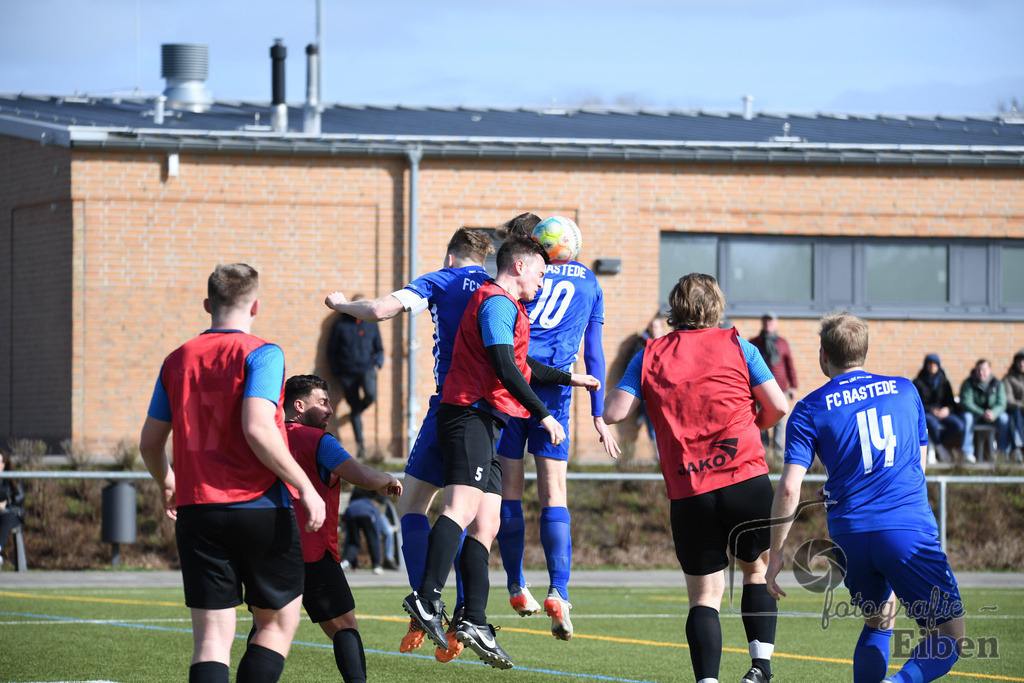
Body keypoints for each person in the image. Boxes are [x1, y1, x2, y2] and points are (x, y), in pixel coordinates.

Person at [402, 235, 600, 670]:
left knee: (487, 522)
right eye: (541, 272)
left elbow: (522, 365)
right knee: (459, 506)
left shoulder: (512, 308)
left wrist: (571, 379)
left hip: (489, 423)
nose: (544, 282)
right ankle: (426, 598)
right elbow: (504, 366)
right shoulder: (496, 302)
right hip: (468, 414)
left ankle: (472, 618)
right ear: (519, 267)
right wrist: (544, 415)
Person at [138, 263, 327, 683]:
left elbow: (149, 444)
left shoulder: (176, 360)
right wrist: (305, 486)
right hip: (259, 506)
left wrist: (168, 482)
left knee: (210, 641)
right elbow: (258, 427)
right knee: (276, 625)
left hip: (197, 510)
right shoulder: (263, 352)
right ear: (255, 305)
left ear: (208, 304)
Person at [604, 273, 788, 683]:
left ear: (675, 308)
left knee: (704, 595)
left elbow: (616, 412)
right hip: (745, 477)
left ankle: (707, 680)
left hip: (690, 488)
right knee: (754, 571)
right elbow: (777, 405)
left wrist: (598, 395)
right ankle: (760, 667)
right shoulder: (739, 345)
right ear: (716, 306)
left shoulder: (649, 354)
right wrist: (752, 427)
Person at [766, 311, 966, 683]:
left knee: (879, 621)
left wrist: (776, 552)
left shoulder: (809, 408)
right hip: (905, 527)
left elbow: (791, 486)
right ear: (864, 351)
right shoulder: (906, 390)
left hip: (850, 534)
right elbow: (916, 468)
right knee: (949, 638)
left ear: (823, 354)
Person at [325, 227, 494, 660]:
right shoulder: (496, 289)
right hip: (489, 415)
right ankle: (462, 613)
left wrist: (341, 304)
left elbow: (381, 310)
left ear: (450, 256)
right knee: (477, 521)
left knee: (417, 508)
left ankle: (430, 603)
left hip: (451, 409)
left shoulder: (442, 279)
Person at [493, 213, 620, 641]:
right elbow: (594, 352)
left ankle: (515, 583)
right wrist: (598, 413)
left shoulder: (528, 272)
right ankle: (558, 591)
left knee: (509, 490)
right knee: (554, 494)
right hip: (557, 394)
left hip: (515, 383)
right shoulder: (589, 282)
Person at [280, 374, 401, 683]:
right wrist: (386, 478)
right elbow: (359, 475)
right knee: (345, 626)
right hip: (311, 551)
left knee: (269, 628)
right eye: (322, 402)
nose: (330, 410)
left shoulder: (266, 436)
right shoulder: (319, 440)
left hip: (268, 552)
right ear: (298, 405)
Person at [328, 294, 384, 459]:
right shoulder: (340, 325)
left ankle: (358, 410)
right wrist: (337, 372)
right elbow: (331, 352)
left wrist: (377, 365)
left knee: (370, 396)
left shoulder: (372, 325)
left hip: (367, 370)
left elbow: (379, 348)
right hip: (347, 373)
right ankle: (361, 447)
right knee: (354, 408)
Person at [749, 312, 798, 457]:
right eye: (765, 321)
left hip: (780, 388)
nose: (767, 324)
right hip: (760, 390)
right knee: (761, 422)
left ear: (775, 323)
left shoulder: (782, 343)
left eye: (770, 321)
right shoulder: (754, 343)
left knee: (779, 423)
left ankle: (777, 457)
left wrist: (793, 386)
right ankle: (763, 454)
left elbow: (790, 365)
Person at [912, 353, 964, 463]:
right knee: (931, 423)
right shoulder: (918, 382)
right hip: (927, 413)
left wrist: (947, 410)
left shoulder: (944, 382)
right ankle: (940, 447)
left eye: (935, 363)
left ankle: (937, 442)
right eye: (929, 363)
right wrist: (931, 410)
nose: (932, 366)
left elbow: (951, 403)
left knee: (959, 425)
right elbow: (916, 403)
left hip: (943, 414)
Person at [959, 359, 1010, 463]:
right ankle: (967, 453)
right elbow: (966, 403)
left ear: (990, 370)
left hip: (992, 416)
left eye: (984, 370)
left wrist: (993, 413)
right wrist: (983, 413)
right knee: (967, 417)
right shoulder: (969, 383)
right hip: (975, 415)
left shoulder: (997, 383)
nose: (981, 373)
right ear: (975, 370)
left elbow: (1002, 403)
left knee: (1005, 418)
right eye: (979, 370)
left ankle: (1002, 453)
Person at [630, 312, 667, 450]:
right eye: (652, 326)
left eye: (657, 327)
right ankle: (659, 454)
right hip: (647, 392)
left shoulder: (667, 345)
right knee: (652, 424)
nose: (654, 329)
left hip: (663, 393)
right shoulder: (641, 345)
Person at [340, 487, 385, 574]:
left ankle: (345, 561)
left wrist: (355, 565)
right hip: (367, 516)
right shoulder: (371, 504)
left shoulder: (352, 503)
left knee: (353, 542)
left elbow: (345, 519)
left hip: (351, 515)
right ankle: (376, 566)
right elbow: (376, 532)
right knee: (372, 540)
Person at [0, 452, 26, 570]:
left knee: (6, 519)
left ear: (5, 464)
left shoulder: (10, 479)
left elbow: (20, 497)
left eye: (0, 462)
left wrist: (6, 504)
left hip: (10, 512)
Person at [1001, 350, 1024, 462]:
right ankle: (1018, 449)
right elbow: (1008, 400)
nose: (1022, 364)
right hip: (1016, 411)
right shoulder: (1009, 379)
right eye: (1019, 361)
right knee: (1015, 415)